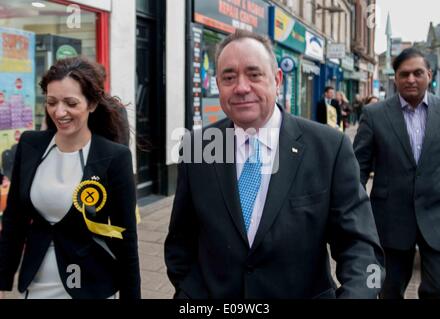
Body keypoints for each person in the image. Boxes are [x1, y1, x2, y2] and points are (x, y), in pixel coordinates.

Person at [164, 29, 384, 299]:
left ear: (277, 79)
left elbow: (362, 248)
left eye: (254, 74)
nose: (242, 87)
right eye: (229, 77)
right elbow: (180, 244)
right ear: (218, 84)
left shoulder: (329, 148)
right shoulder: (197, 148)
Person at [0, 56, 140, 299]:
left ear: (92, 104)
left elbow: (125, 236)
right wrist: (2, 279)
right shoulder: (31, 145)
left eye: (71, 103)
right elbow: (14, 220)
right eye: (52, 102)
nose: (59, 112)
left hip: (91, 285)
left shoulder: (114, 157)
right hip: (37, 283)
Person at [353, 48, 440, 299]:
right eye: (404, 74)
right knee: (388, 290)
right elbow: (358, 168)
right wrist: (353, 212)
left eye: (418, 73)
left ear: (429, 74)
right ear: (394, 78)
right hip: (389, 221)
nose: (411, 79)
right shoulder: (373, 115)